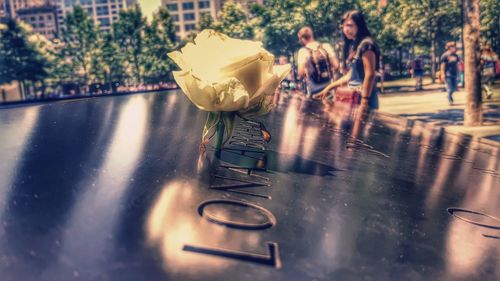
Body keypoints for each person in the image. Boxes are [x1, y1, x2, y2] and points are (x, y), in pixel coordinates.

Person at [317, 10, 381, 109]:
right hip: (353, 97)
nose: (346, 29)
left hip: (363, 98)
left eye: (350, 25)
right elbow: (350, 76)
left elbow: (370, 74)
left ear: (359, 25)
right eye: (344, 26)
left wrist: (364, 101)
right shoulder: (356, 45)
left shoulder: (366, 44)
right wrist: (329, 87)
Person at [296, 26, 339, 99]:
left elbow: (300, 73)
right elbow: (336, 65)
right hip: (329, 88)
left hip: (314, 90)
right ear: (312, 35)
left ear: (302, 39)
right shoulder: (326, 46)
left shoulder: (303, 51)